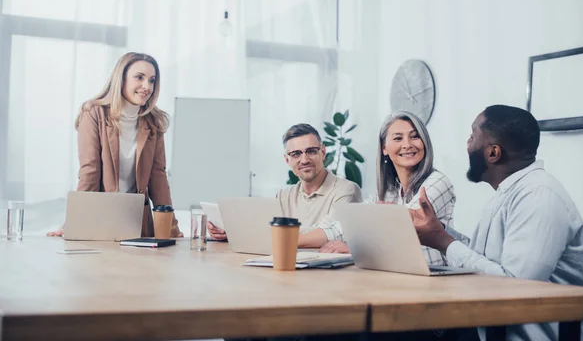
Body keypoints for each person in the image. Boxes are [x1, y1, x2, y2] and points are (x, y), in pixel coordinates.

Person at [411, 105, 583, 341]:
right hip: (490, 329)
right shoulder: (511, 192)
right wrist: (438, 232)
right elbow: (486, 259)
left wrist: (444, 242)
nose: (467, 144)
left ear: (493, 153)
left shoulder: (539, 196)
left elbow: (516, 287)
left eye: (473, 136)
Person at [48, 52, 182, 237]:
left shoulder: (153, 121)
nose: (147, 86)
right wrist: (74, 222)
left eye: (152, 80)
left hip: (138, 224)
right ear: (122, 78)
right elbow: (90, 171)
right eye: (139, 77)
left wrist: (171, 229)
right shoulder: (94, 113)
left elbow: (158, 176)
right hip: (101, 219)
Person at [320, 112, 456, 267]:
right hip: (397, 276)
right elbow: (344, 226)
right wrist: (296, 239)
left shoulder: (438, 182)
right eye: (398, 138)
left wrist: (352, 248)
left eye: (415, 136)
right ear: (384, 147)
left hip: (435, 280)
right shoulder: (389, 191)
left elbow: (400, 229)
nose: (407, 144)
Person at [208, 123, 362, 247]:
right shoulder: (284, 195)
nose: (304, 160)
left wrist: (276, 238)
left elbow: (327, 233)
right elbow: (265, 230)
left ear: (322, 152)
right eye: (296, 154)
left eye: (311, 151)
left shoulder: (346, 190)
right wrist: (233, 233)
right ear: (287, 160)